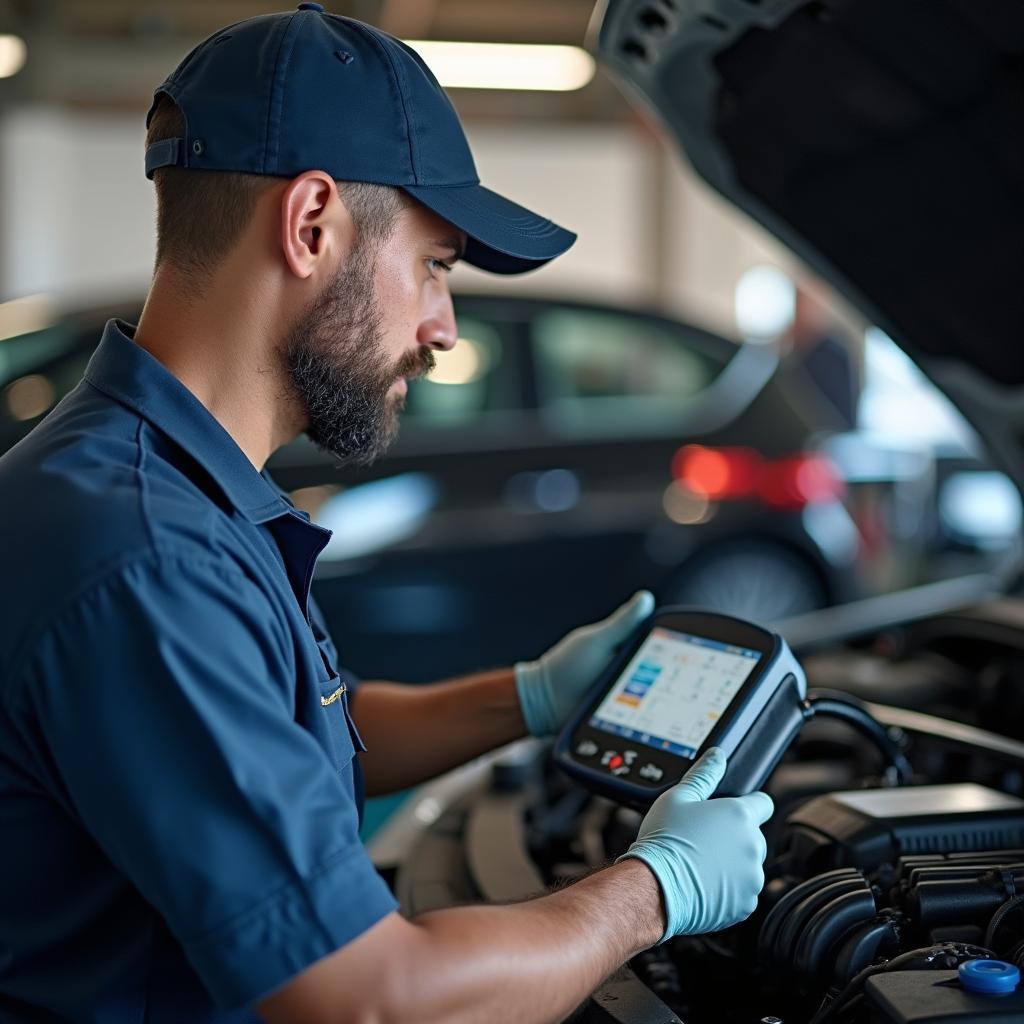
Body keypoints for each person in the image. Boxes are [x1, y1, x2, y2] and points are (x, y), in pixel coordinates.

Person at [0, 6, 772, 1022]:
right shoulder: (146, 555)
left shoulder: (146, 482)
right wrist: (653, 890)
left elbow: (291, 733)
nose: (444, 328)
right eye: (435, 266)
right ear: (310, 224)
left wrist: (528, 697)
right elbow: (370, 999)